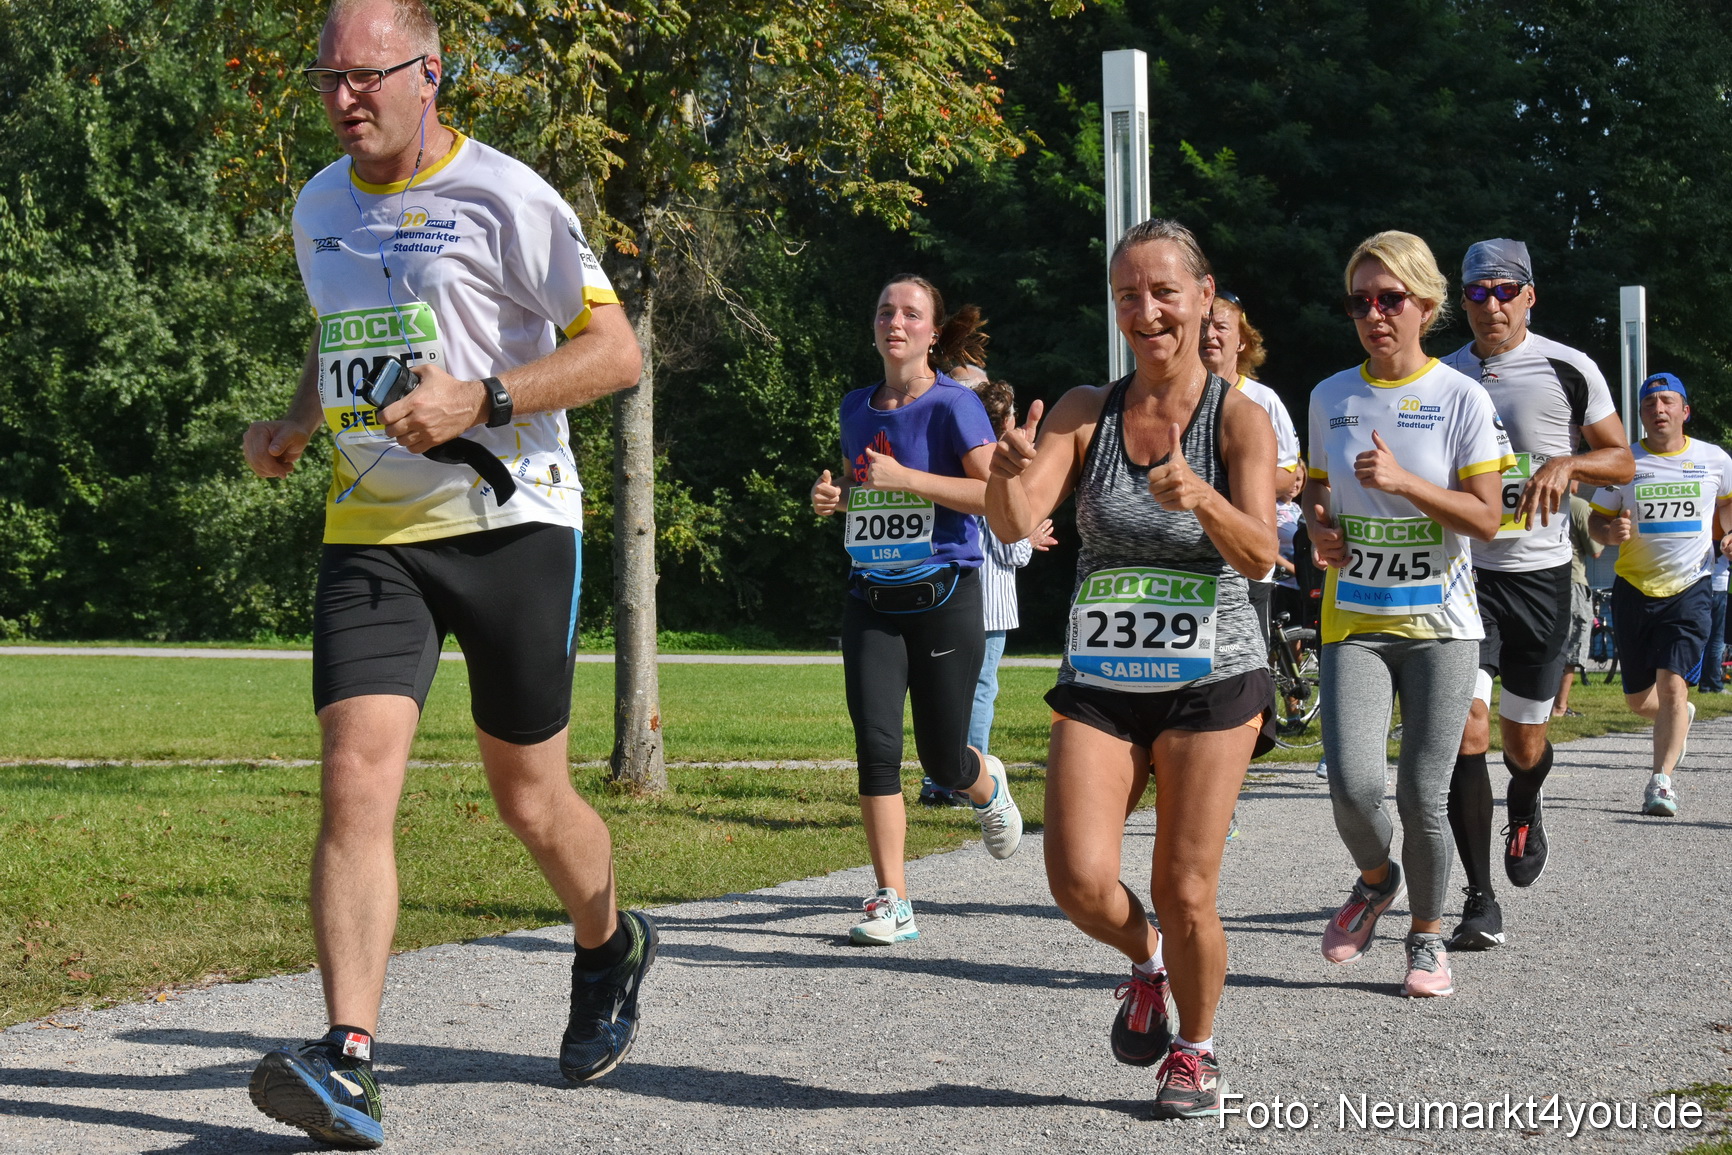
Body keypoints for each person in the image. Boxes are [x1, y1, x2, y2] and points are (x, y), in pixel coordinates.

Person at [239, 1, 648, 1146]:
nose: (342, 100)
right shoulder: (318, 203)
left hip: (513, 525)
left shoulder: (511, 196)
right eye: (327, 79)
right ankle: (350, 1058)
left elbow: (616, 353)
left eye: (365, 78)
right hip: (373, 531)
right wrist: (294, 416)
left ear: (431, 75)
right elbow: (343, 335)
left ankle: (608, 942)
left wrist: (485, 397)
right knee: (355, 780)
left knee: (530, 797)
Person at [986, 219, 1278, 1118]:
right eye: (1127, 294)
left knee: (1184, 885)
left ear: (1202, 296)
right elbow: (1012, 522)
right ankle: (1148, 965)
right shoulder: (1086, 409)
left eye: (1162, 292)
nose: (1145, 310)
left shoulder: (1239, 415)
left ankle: (1197, 1048)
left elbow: (1262, 552)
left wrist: (1201, 495)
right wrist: (1008, 473)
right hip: (1106, 675)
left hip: (1211, 680)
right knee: (1076, 877)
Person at [1305, 231, 1511, 1000]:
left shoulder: (1462, 397)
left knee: (1425, 793)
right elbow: (1318, 494)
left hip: (1442, 626)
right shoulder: (1332, 395)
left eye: (1388, 299)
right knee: (1355, 787)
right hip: (1354, 618)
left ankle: (1427, 940)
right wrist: (1317, 525)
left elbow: (1487, 518)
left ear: (1426, 305)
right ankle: (1376, 878)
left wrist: (1403, 483)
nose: (1373, 314)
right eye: (1359, 301)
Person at [809, 275, 1024, 945]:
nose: (894, 322)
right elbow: (866, 491)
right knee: (876, 750)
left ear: (932, 333)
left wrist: (907, 479)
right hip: (870, 598)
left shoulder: (956, 406)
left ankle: (985, 782)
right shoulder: (855, 407)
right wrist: (835, 495)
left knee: (941, 760)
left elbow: (992, 496)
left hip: (945, 596)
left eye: (909, 313)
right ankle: (892, 898)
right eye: (884, 311)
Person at [1436, 239, 1633, 950]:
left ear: (1529, 295)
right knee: (1468, 731)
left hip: (1542, 578)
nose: (1490, 304)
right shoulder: (1443, 374)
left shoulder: (1567, 366)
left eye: (1503, 291)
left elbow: (1623, 459)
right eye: (1476, 293)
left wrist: (1569, 461)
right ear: (1461, 300)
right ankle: (1479, 897)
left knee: (1523, 741)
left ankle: (1527, 797)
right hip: (1463, 577)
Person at [1587, 372, 1732, 817]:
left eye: (1668, 401)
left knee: (1672, 686)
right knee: (1638, 700)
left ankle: (1661, 781)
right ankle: (1679, 719)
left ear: (1685, 411)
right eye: (1650, 403)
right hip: (1633, 588)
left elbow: (1727, 502)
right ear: (1642, 414)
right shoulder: (1623, 462)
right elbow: (1595, 522)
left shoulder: (1714, 460)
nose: (1659, 409)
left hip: (1691, 588)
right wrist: (1609, 531)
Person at [918, 372, 1056, 807]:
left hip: (948, 596)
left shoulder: (951, 461)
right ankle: (965, 774)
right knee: (979, 690)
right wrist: (1028, 539)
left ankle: (938, 777)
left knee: (943, 691)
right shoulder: (998, 471)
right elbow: (1010, 547)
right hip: (990, 606)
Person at [1201, 291, 1301, 643]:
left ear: (1242, 341)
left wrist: (1213, 488)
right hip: (1191, 553)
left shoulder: (1263, 400)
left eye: (1220, 327)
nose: (1209, 334)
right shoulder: (1173, 396)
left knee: (1249, 658)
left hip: (1248, 549)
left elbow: (1289, 476)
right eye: (1203, 325)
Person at [1553, 487, 1605, 717]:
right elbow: (1596, 549)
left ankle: (1538, 705)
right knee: (1571, 645)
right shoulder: (1577, 506)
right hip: (1572, 581)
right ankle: (1559, 706)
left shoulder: (1535, 500)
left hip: (1539, 580)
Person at [1700, 551, 1728, 693]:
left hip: (1700, 585)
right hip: (1718, 585)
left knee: (1702, 638)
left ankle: (1703, 682)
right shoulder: (1725, 533)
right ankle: (1713, 682)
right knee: (1717, 640)